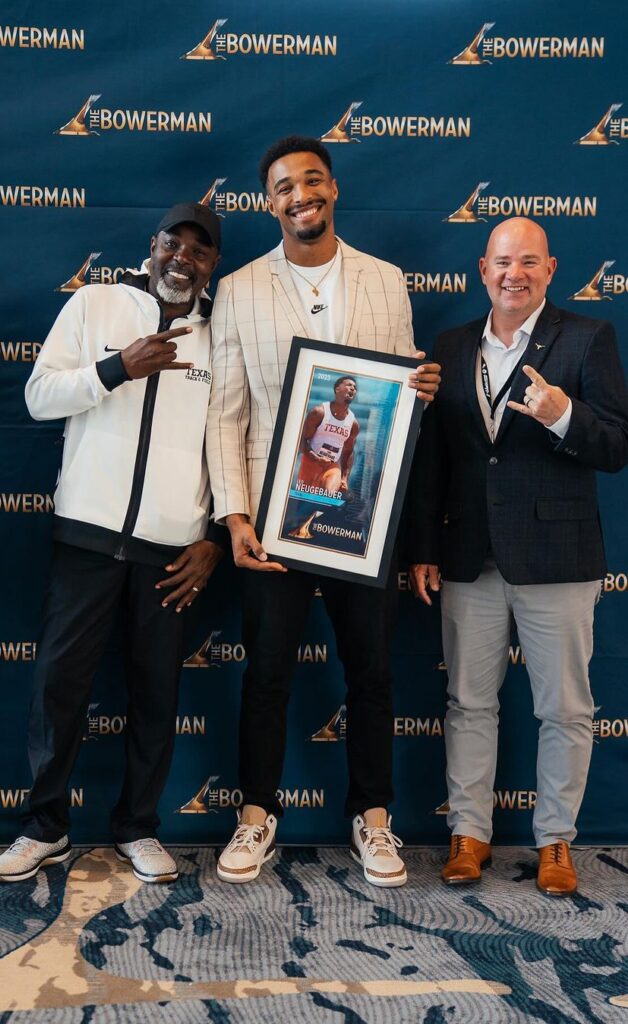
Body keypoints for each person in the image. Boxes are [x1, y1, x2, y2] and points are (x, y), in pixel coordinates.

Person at [205, 135, 440, 887]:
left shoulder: (386, 280)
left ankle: (373, 819)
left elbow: (395, 398)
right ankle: (254, 817)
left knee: (371, 672)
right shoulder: (239, 288)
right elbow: (226, 413)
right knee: (267, 673)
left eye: (312, 181)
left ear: (333, 189)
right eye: (283, 186)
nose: (299, 195)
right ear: (267, 202)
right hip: (277, 518)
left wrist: (418, 393)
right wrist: (236, 517)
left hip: (362, 516)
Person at [0, 203, 223, 885]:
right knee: (59, 686)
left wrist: (210, 537)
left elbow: (231, 442)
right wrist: (116, 368)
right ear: (150, 247)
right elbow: (38, 397)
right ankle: (44, 827)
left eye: (199, 251)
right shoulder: (95, 303)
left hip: (172, 550)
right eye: (172, 244)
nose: (183, 258)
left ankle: (138, 827)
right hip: (87, 538)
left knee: (156, 694)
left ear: (213, 267)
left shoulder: (222, 335)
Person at [408, 217, 628, 896]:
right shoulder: (450, 343)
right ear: (483, 269)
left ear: (551, 269)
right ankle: (468, 836)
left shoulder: (588, 338)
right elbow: (434, 461)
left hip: (558, 557)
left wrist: (564, 414)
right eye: (504, 261)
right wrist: (422, 549)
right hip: (470, 557)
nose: (515, 273)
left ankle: (556, 840)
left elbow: (617, 446)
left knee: (564, 708)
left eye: (529, 262)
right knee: (469, 702)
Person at [296, 375, 359, 496]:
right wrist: (317, 458)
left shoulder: (353, 424)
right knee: (304, 505)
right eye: (348, 385)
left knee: (329, 494)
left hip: (332, 466)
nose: (352, 388)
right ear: (337, 389)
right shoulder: (318, 413)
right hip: (310, 462)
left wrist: (344, 478)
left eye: (354, 387)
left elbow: (349, 451)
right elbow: (301, 441)